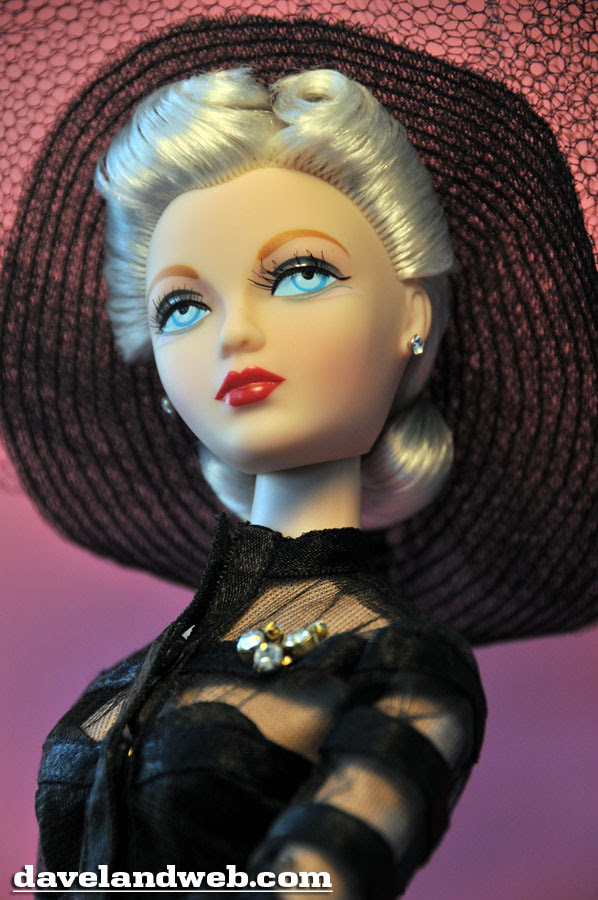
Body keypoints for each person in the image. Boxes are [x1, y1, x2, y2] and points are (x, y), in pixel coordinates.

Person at [0, 14, 595, 900]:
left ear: (411, 316)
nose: (235, 333)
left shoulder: (397, 664)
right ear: (158, 371)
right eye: (182, 307)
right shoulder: (120, 681)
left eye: (301, 273)